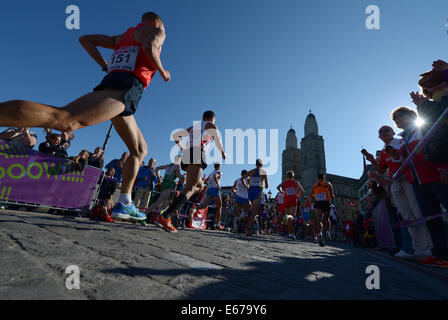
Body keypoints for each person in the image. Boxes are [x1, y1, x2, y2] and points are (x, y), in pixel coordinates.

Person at [0, 12, 171, 222]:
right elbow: (150, 47)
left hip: (114, 84)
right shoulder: (156, 30)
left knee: (139, 149)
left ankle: (125, 202)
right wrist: (163, 71)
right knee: (65, 120)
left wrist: (104, 64)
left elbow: (86, 40)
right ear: (156, 22)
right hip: (125, 88)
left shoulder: (123, 36)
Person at [388, 106, 448, 267]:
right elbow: (401, 161)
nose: (398, 119)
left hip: (436, 175)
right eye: (395, 119)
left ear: (411, 115)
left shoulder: (424, 128)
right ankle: (442, 256)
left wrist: (444, 167)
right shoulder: (402, 140)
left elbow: (442, 145)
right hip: (418, 182)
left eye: (401, 115)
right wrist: (395, 156)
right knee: (431, 218)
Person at [363, 124, 433, 260]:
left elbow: (401, 157)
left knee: (417, 212)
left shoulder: (401, 142)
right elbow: (382, 170)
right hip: (395, 183)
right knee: (406, 216)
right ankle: (417, 249)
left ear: (393, 132)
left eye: (387, 130)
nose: (384, 132)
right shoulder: (383, 151)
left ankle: (429, 249)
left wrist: (393, 153)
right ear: (379, 136)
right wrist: (372, 160)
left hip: (407, 179)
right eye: (381, 131)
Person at [153, 111, 226, 233]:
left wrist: (182, 147)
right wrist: (222, 152)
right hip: (197, 153)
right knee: (191, 188)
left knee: (200, 186)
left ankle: (176, 198)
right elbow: (216, 136)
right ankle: (165, 216)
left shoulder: (195, 127)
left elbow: (176, 135)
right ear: (211, 119)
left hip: (188, 154)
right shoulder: (209, 124)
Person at [244, 159, 269, 236]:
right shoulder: (264, 172)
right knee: (254, 212)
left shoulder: (252, 171)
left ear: (256, 164)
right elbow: (267, 185)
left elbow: (243, 178)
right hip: (258, 192)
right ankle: (248, 227)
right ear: (262, 165)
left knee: (251, 210)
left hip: (251, 191)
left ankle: (249, 224)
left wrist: (247, 185)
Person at [277, 171, 304, 239]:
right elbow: (302, 191)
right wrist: (298, 195)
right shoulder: (296, 182)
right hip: (293, 201)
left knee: (288, 218)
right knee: (290, 218)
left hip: (286, 201)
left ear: (287, 176)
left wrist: (281, 191)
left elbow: (277, 187)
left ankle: (290, 233)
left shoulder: (285, 182)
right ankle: (291, 233)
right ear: (293, 176)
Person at [309, 173, 334, 247]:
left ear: (317, 178)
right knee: (326, 218)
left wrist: (313, 196)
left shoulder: (314, 185)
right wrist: (332, 194)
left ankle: (319, 233)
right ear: (323, 178)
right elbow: (330, 186)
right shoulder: (326, 183)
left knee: (318, 220)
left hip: (318, 203)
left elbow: (311, 194)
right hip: (325, 202)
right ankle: (328, 233)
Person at [197, 163, 224, 230]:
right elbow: (215, 176)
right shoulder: (219, 172)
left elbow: (206, 181)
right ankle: (217, 224)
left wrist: (209, 185)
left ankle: (195, 209)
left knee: (204, 205)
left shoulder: (211, 172)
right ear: (219, 167)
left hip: (209, 189)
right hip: (215, 189)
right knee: (219, 207)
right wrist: (218, 185)